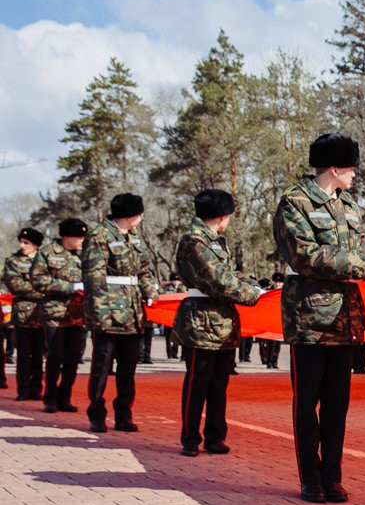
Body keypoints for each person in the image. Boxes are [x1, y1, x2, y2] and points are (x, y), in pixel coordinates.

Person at [273, 133, 365, 503]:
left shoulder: (349, 206)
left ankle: (333, 474)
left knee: (337, 402)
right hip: (309, 318)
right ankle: (310, 476)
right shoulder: (294, 203)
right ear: (334, 167)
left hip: (344, 317)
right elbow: (303, 256)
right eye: (351, 168)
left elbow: (353, 254)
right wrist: (360, 265)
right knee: (307, 401)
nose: (354, 176)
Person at [172, 190, 264, 457]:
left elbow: (230, 276)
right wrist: (251, 294)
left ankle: (215, 436)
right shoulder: (194, 240)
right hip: (201, 320)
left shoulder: (214, 240)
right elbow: (217, 280)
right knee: (197, 381)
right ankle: (190, 437)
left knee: (218, 383)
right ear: (223, 216)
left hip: (222, 320)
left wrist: (250, 286)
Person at [82, 193, 160, 433]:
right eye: (139, 213)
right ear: (130, 215)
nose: (141, 218)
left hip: (133, 314)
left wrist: (152, 294)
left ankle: (124, 415)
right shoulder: (99, 235)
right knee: (101, 367)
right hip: (108, 313)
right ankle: (97, 414)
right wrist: (100, 314)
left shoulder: (134, 238)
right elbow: (93, 277)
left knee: (128, 368)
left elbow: (144, 271)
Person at [31, 218, 89, 413]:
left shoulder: (86, 255)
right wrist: (70, 287)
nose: (82, 240)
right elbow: (38, 280)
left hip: (78, 314)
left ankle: (65, 397)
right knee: (55, 356)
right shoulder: (47, 253)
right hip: (55, 313)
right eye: (78, 236)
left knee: (73, 357)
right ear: (66, 236)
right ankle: (50, 397)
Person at [2, 227, 45, 400]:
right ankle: (23, 388)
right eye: (21, 242)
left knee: (39, 353)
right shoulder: (13, 261)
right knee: (23, 354)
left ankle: (37, 388)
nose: (22, 245)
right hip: (22, 315)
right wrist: (43, 291)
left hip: (42, 315)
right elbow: (16, 285)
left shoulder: (45, 260)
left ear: (35, 245)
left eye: (26, 243)